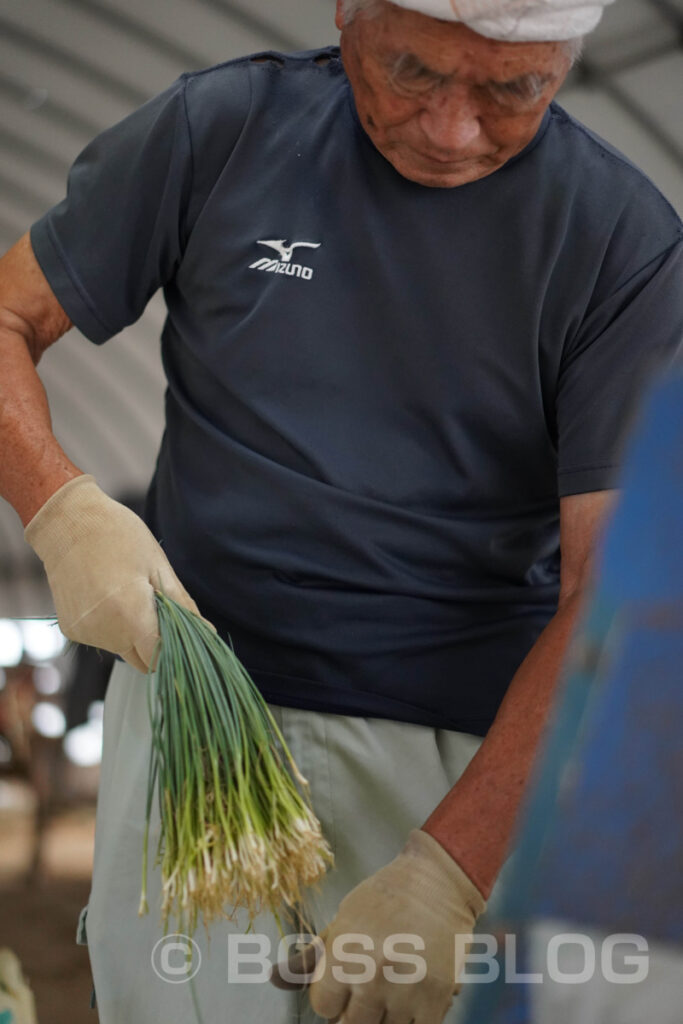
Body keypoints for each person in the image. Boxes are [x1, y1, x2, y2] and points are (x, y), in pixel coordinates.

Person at [0, 0, 681, 1021]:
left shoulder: (615, 241)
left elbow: (606, 590)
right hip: (198, 707)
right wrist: (58, 506)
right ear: (347, 14)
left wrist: (448, 870)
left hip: (459, 750)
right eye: (412, 72)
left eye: (513, 89)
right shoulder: (221, 132)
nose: (452, 130)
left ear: (566, 60)